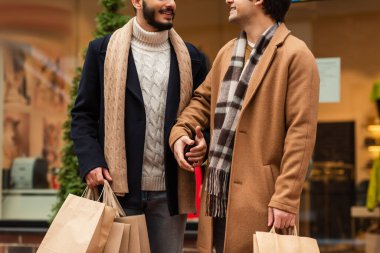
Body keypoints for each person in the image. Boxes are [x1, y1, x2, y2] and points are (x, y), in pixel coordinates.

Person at [169, 0, 320, 252]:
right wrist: (180, 132)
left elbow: (300, 134)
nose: (228, 0)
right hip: (217, 198)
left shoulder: (296, 54)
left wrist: (286, 198)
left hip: (263, 199)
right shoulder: (226, 53)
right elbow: (203, 101)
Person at [70, 0, 208, 252]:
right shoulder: (101, 51)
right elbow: (83, 115)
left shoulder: (193, 58)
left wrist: (202, 143)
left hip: (170, 193)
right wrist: (91, 162)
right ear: (136, 1)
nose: (171, 3)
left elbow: (204, 116)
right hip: (119, 189)